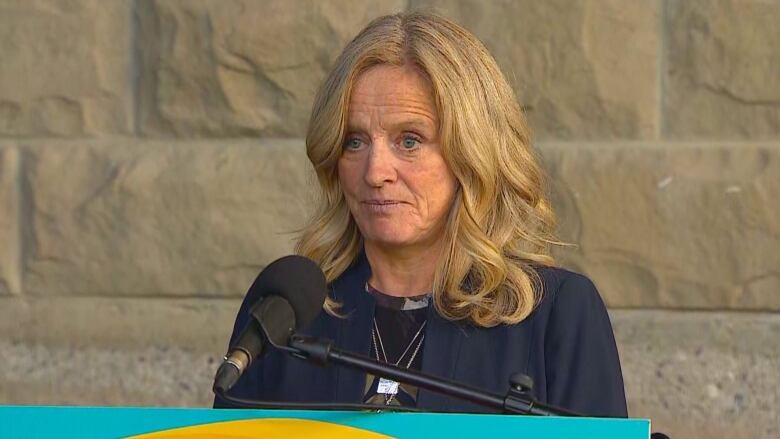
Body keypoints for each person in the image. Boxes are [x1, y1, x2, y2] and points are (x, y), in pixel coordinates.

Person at [215, 11, 627, 417]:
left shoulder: (556, 315)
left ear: (471, 154)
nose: (375, 173)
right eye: (354, 141)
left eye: (409, 141)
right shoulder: (286, 310)